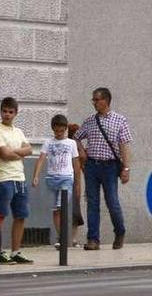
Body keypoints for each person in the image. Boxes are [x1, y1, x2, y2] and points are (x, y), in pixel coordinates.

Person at [74, 87, 133, 250]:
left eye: (96, 99)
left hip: (110, 166)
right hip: (92, 165)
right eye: (93, 99)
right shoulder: (90, 121)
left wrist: (126, 169)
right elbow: (76, 137)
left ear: (105, 100)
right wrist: (82, 151)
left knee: (112, 201)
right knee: (92, 202)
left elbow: (124, 145)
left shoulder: (120, 120)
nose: (94, 102)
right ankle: (93, 239)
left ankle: (120, 231)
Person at [0, 97, 33, 265]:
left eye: (10, 112)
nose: (7, 115)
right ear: (1, 112)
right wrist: (19, 153)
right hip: (4, 178)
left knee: (21, 216)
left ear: (15, 113)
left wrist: (14, 152)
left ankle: (16, 251)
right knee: (0, 216)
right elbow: (3, 154)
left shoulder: (18, 131)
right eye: (4, 111)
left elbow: (29, 149)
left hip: (20, 178)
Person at [32, 114, 80, 249]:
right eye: (56, 131)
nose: (59, 134)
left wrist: (77, 182)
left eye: (61, 131)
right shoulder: (48, 142)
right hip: (52, 179)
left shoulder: (71, 143)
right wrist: (36, 175)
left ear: (65, 129)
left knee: (61, 207)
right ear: (53, 129)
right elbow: (41, 159)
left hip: (66, 178)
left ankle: (63, 237)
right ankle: (61, 237)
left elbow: (76, 163)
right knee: (56, 210)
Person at [68, 123, 86, 246]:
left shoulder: (79, 148)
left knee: (75, 211)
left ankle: (73, 239)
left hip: (75, 182)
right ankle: (71, 239)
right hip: (71, 181)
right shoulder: (69, 146)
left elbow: (83, 164)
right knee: (72, 210)